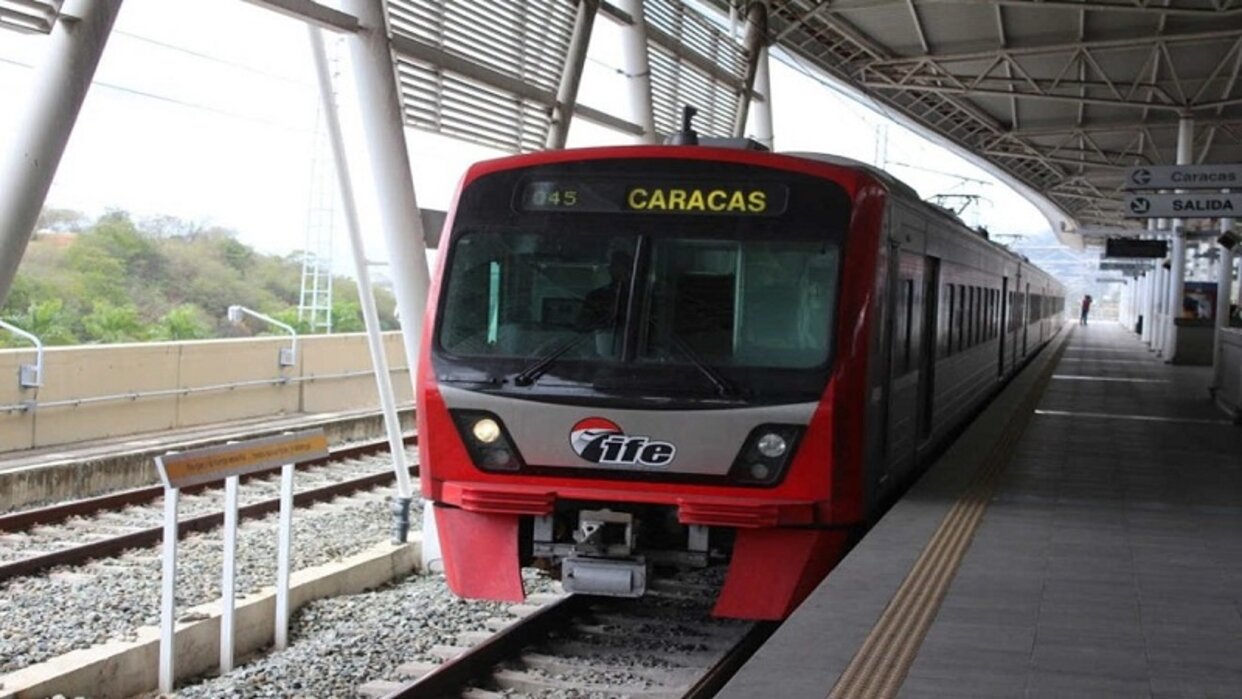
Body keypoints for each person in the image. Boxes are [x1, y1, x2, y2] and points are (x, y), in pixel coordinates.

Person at [578, 250, 632, 330]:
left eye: (623, 266)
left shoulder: (643, 297)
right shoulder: (596, 297)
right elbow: (582, 325)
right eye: (614, 265)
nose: (612, 269)